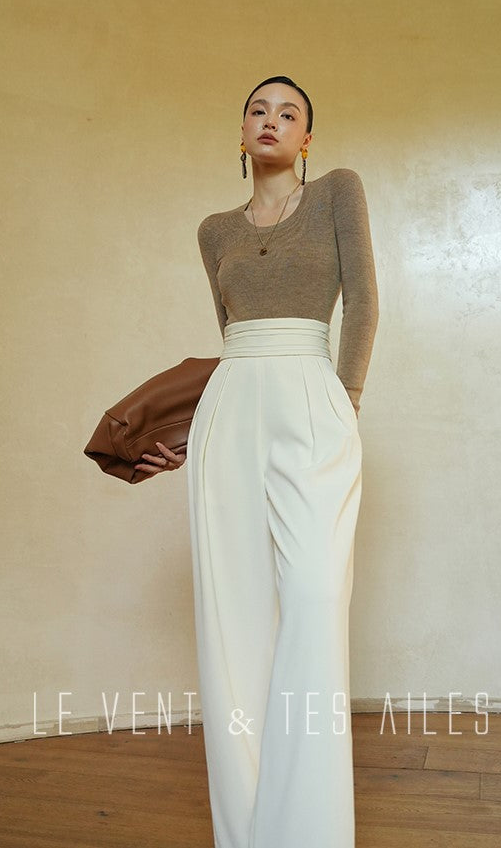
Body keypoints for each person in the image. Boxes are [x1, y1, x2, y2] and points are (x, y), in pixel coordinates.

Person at [138, 75, 379, 848]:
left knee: (313, 595)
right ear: (240, 131)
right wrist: (191, 427)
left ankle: (308, 829)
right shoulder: (214, 231)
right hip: (231, 412)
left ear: (307, 138)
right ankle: (247, 831)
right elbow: (230, 336)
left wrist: (345, 401)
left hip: (313, 398)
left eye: (289, 112)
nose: (270, 120)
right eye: (257, 110)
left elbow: (364, 303)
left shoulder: (338, 191)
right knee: (233, 618)